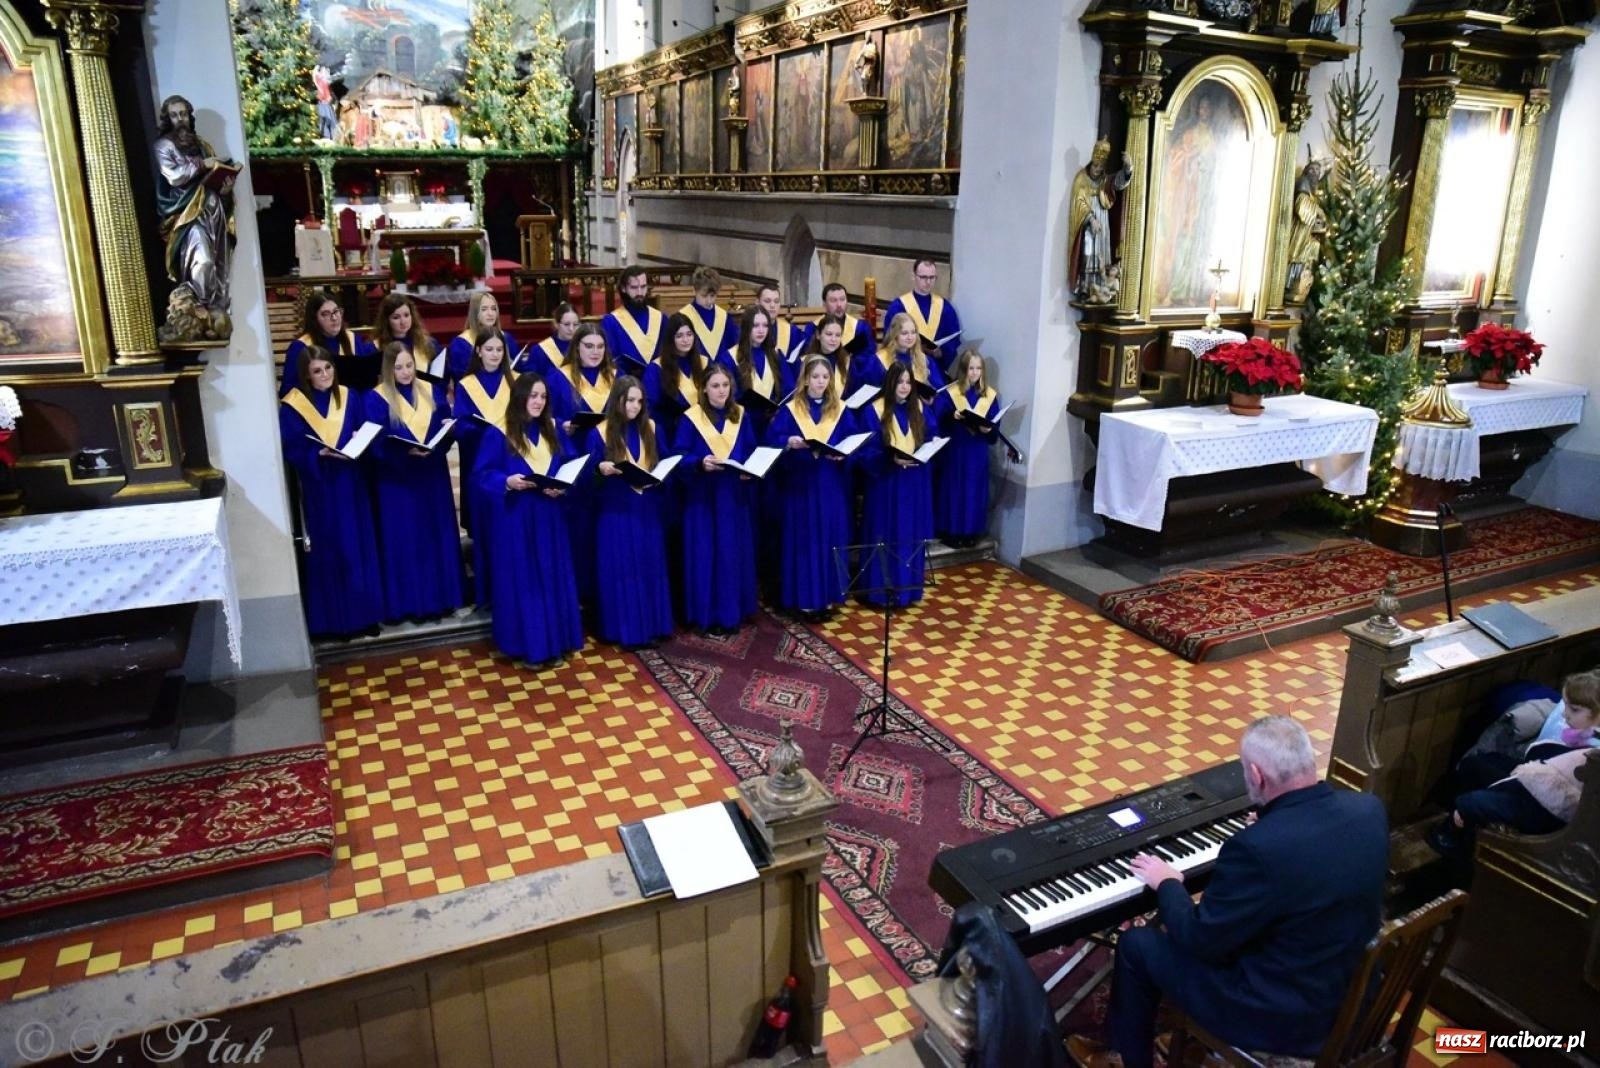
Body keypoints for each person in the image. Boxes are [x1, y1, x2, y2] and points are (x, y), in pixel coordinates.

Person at [1066, 716, 1388, 1068]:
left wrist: (1169, 882)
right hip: (1356, 999)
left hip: (1283, 1021)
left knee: (1138, 944)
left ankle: (1127, 1058)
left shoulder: (1257, 849)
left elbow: (1198, 939)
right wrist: (1270, 825)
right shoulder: (1369, 810)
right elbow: (1313, 862)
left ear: (1257, 774)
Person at [473, 373, 585, 669]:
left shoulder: (553, 430)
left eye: (543, 397)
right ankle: (528, 647)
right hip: (517, 518)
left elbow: (569, 465)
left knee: (552, 576)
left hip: (550, 515)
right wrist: (507, 481)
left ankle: (557, 642)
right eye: (533, 396)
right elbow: (482, 475)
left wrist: (562, 485)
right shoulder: (499, 433)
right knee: (525, 581)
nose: (538, 402)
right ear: (520, 397)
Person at [1428, 670, 1599, 859]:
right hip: (1534, 786)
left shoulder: (1591, 754)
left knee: (1470, 802)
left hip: (1545, 810)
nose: (1565, 715)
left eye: (1574, 710)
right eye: (1565, 706)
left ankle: (1458, 847)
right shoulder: (1583, 736)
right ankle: (1464, 836)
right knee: (1474, 764)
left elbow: (1548, 793)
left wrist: (1467, 807)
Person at [278, 346, 385, 638]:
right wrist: (317, 453)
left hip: (351, 481)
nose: (325, 375)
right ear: (306, 375)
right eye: (317, 371)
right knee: (331, 551)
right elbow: (292, 446)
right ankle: (334, 623)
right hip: (322, 486)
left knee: (358, 545)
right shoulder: (293, 406)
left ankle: (366, 616)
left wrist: (358, 441)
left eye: (328, 368)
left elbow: (368, 430)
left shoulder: (350, 397)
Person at [363, 342, 464, 622]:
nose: (406, 372)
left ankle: (443, 598)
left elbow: (445, 424)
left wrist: (443, 438)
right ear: (388, 369)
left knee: (436, 533)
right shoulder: (376, 398)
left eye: (409, 366)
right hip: (397, 481)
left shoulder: (430, 390)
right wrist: (403, 452)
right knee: (405, 538)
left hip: (431, 474)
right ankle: (409, 603)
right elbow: (375, 441)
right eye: (398, 367)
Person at [767, 356, 862, 621]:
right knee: (804, 542)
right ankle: (805, 600)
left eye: (825, 377)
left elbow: (853, 443)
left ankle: (828, 598)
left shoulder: (840, 410)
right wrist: (788, 442)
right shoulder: (790, 410)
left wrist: (843, 455)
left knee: (831, 538)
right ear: (805, 379)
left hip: (830, 485)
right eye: (815, 376)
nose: (820, 382)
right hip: (801, 486)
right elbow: (771, 441)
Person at [587, 376, 676, 650]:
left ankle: (653, 625)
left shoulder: (651, 428)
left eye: (639, 401)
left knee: (650, 565)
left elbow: (664, 461)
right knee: (623, 568)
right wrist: (600, 470)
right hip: (616, 509)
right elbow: (587, 476)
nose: (635, 406)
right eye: (629, 400)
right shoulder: (598, 433)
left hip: (647, 507)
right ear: (617, 401)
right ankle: (624, 630)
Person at [674, 364, 759, 634]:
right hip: (704, 498)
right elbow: (678, 456)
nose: (721, 391)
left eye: (725, 385)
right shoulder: (692, 418)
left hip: (733, 497)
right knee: (707, 553)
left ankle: (733, 610)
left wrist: (750, 470)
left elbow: (751, 450)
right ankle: (708, 615)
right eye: (715, 386)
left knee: (731, 553)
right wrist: (699, 462)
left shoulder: (740, 416)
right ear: (704, 389)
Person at [154, 94, 237, 343]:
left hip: (213, 212)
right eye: (174, 115)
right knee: (203, 261)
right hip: (187, 214)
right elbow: (175, 177)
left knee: (219, 263)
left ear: (190, 117)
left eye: (183, 114)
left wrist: (224, 187)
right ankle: (195, 308)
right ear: (168, 119)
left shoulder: (202, 145)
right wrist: (203, 165)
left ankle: (211, 308)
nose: (180, 119)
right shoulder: (164, 146)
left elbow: (213, 179)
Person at [857, 363, 934, 608]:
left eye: (908, 382)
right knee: (885, 532)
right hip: (886, 484)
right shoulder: (874, 411)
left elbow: (932, 436)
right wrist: (889, 458)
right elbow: (866, 450)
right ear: (890, 384)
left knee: (908, 534)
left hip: (913, 483)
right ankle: (880, 592)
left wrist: (928, 448)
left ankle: (907, 590)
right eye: (900, 382)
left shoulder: (918, 408)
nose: (904, 387)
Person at [453, 328, 516, 605]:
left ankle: (508, 586)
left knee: (508, 527)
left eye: (499, 350)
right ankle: (487, 591)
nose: (494, 355)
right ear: (478, 351)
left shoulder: (513, 382)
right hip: (479, 462)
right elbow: (461, 423)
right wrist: (481, 429)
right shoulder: (467, 384)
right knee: (483, 526)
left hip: (510, 463)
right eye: (489, 349)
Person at [931, 350, 1005, 548]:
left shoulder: (989, 395)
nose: (974, 373)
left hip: (976, 451)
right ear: (963, 370)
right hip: (955, 449)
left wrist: (987, 429)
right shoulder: (950, 393)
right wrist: (951, 415)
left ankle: (971, 531)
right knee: (953, 489)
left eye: (978, 368)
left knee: (974, 490)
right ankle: (951, 531)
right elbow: (938, 419)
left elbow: (994, 429)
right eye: (971, 368)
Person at [1068, 140, 1133, 303]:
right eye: (1095, 166)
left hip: (1102, 219)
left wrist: (1128, 169)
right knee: (1088, 252)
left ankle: (1100, 287)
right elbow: (1079, 202)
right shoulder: (1081, 179)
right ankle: (1085, 286)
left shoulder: (1105, 180)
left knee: (1102, 254)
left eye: (1100, 167)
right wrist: (1090, 219)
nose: (1097, 170)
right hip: (1088, 223)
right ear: (1092, 162)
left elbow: (1118, 182)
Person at [280, 290, 377, 397]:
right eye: (326, 314)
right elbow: (288, 391)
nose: (334, 318)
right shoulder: (300, 347)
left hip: (354, 407)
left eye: (336, 311)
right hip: (319, 408)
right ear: (314, 320)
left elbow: (366, 381)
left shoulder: (352, 339)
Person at [881, 259, 961, 371]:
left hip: (935, 368)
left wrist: (942, 352)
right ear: (913, 276)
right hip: (906, 368)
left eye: (932, 277)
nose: (928, 282)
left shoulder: (945, 307)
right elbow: (889, 339)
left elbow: (954, 339)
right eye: (923, 277)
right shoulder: (899, 306)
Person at [642, 312, 702, 442]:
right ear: (670, 339)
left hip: (703, 432)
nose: (685, 340)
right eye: (679, 336)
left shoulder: (704, 364)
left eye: (689, 334)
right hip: (671, 433)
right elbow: (650, 409)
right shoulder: (655, 369)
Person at [855, 312, 946, 395]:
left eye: (913, 332)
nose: (910, 337)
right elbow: (866, 393)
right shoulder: (878, 361)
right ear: (895, 335)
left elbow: (939, 389)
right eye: (904, 333)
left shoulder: (924, 359)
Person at [601, 265, 665, 375]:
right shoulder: (611, 322)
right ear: (623, 288)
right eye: (634, 287)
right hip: (625, 384)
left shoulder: (661, 319)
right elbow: (609, 360)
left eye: (643, 286)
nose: (640, 293)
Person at [445, 292, 519, 380]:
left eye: (493, 309)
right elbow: (459, 376)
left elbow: (519, 368)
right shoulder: (461, 344)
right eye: (484, 309)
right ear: (475, 313)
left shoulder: (507, 338)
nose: (490, 313)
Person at [1284, 159, 1327, 305]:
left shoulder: (1312, 192)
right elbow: (1302, 206)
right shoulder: (1303, 184)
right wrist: (1318, 211)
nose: (1316, 174)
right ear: (1306, 171)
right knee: (1297, 257)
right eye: (1313, 170)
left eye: (1318, 171)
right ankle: (1290, 286)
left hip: (1307, 234)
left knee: (1312, 249)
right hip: (1298, 234)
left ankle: (1299, 287)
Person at [680, 265, 738, 365]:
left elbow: (733, 348)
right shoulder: (683, 317)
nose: (709, 301)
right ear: (694, 291)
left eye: (712, 296)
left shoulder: (724, 318)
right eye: (704, 296)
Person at [372, 292, 438, 368]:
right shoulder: (376, 348)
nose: (403, 322)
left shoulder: (428, 344)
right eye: (396, 317)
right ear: (386, 320)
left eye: (406, 315)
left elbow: (440, 374)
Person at [520, 302, 582, 376]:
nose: (571, 329)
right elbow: (531, 381)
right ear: (556, 324)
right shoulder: (540, 351)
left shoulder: (585, 346)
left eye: (575, 324)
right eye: (566, 324)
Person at [757, 283, 812, 363]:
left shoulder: (790, 331)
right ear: (758, 303)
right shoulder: (748, 329)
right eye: (767, 301)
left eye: (776, 301)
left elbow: (806, 349)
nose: (772, 305)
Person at [819, 283, 875, 357]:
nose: (839, 305)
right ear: (824, 304)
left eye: (842, 299)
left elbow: (869, 356)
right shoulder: (815, 327)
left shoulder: (860, 328)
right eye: (833, 300)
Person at [805, 314, 849, 379]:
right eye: (829, 334)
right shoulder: (805, 362)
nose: (833, 339)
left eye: (838, 335)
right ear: (818, 335)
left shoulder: (847, 362)